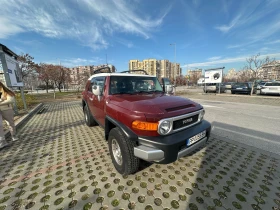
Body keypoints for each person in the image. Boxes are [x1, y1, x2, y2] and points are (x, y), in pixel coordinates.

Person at [0, 81, 18, 149]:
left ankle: (13, 136)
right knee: (0, 126)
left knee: (10, 123)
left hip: (6, 110)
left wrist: (0, 102)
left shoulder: (6, 91)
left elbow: (10, 100)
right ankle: (2, 141)